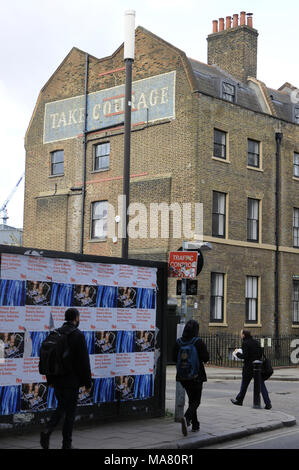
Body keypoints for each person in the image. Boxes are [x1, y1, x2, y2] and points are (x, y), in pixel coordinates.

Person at [40, 308, 92, 450]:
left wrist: (50, 380)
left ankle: (49, 432)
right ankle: (64, 443)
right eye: (79, 317)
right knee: (69, 413)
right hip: (71, 381)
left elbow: (49, 358)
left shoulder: (56, 333)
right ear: (76, 318)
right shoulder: (77, 335)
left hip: (57, 380)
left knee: (62, 407)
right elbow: (84, 362)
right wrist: (88, 383)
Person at [172, 319, 209, 435]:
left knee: (192, 400)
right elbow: (206, 358)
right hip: (196, 375)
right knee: (196, 401)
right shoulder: (197, 342)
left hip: (183, 376)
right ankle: (187, 418)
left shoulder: (178, 342)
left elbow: (173, 358)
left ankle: (195, 425)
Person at [231, 329, 272, 409]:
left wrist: (237, 353)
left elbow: (245, 356)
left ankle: (239, 400)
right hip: (258, 367)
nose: (240, 335)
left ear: (243, 335)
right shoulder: (256, 342)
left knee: (244, 385)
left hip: (248, 368)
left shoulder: (245, 343)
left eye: (241, 334)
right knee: (261, 386)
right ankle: (268, 403)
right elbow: (260, 353)